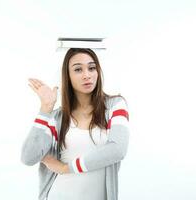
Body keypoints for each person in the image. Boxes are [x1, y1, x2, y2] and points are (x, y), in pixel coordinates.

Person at [21, 48, 130, 200]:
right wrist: (46, 109)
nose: (87, 75)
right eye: (78, 69)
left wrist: (66, 168)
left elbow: (118, 149)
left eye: (91, 68)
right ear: (68, 76)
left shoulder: (114, 106)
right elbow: (28, 157)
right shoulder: (57, 118)